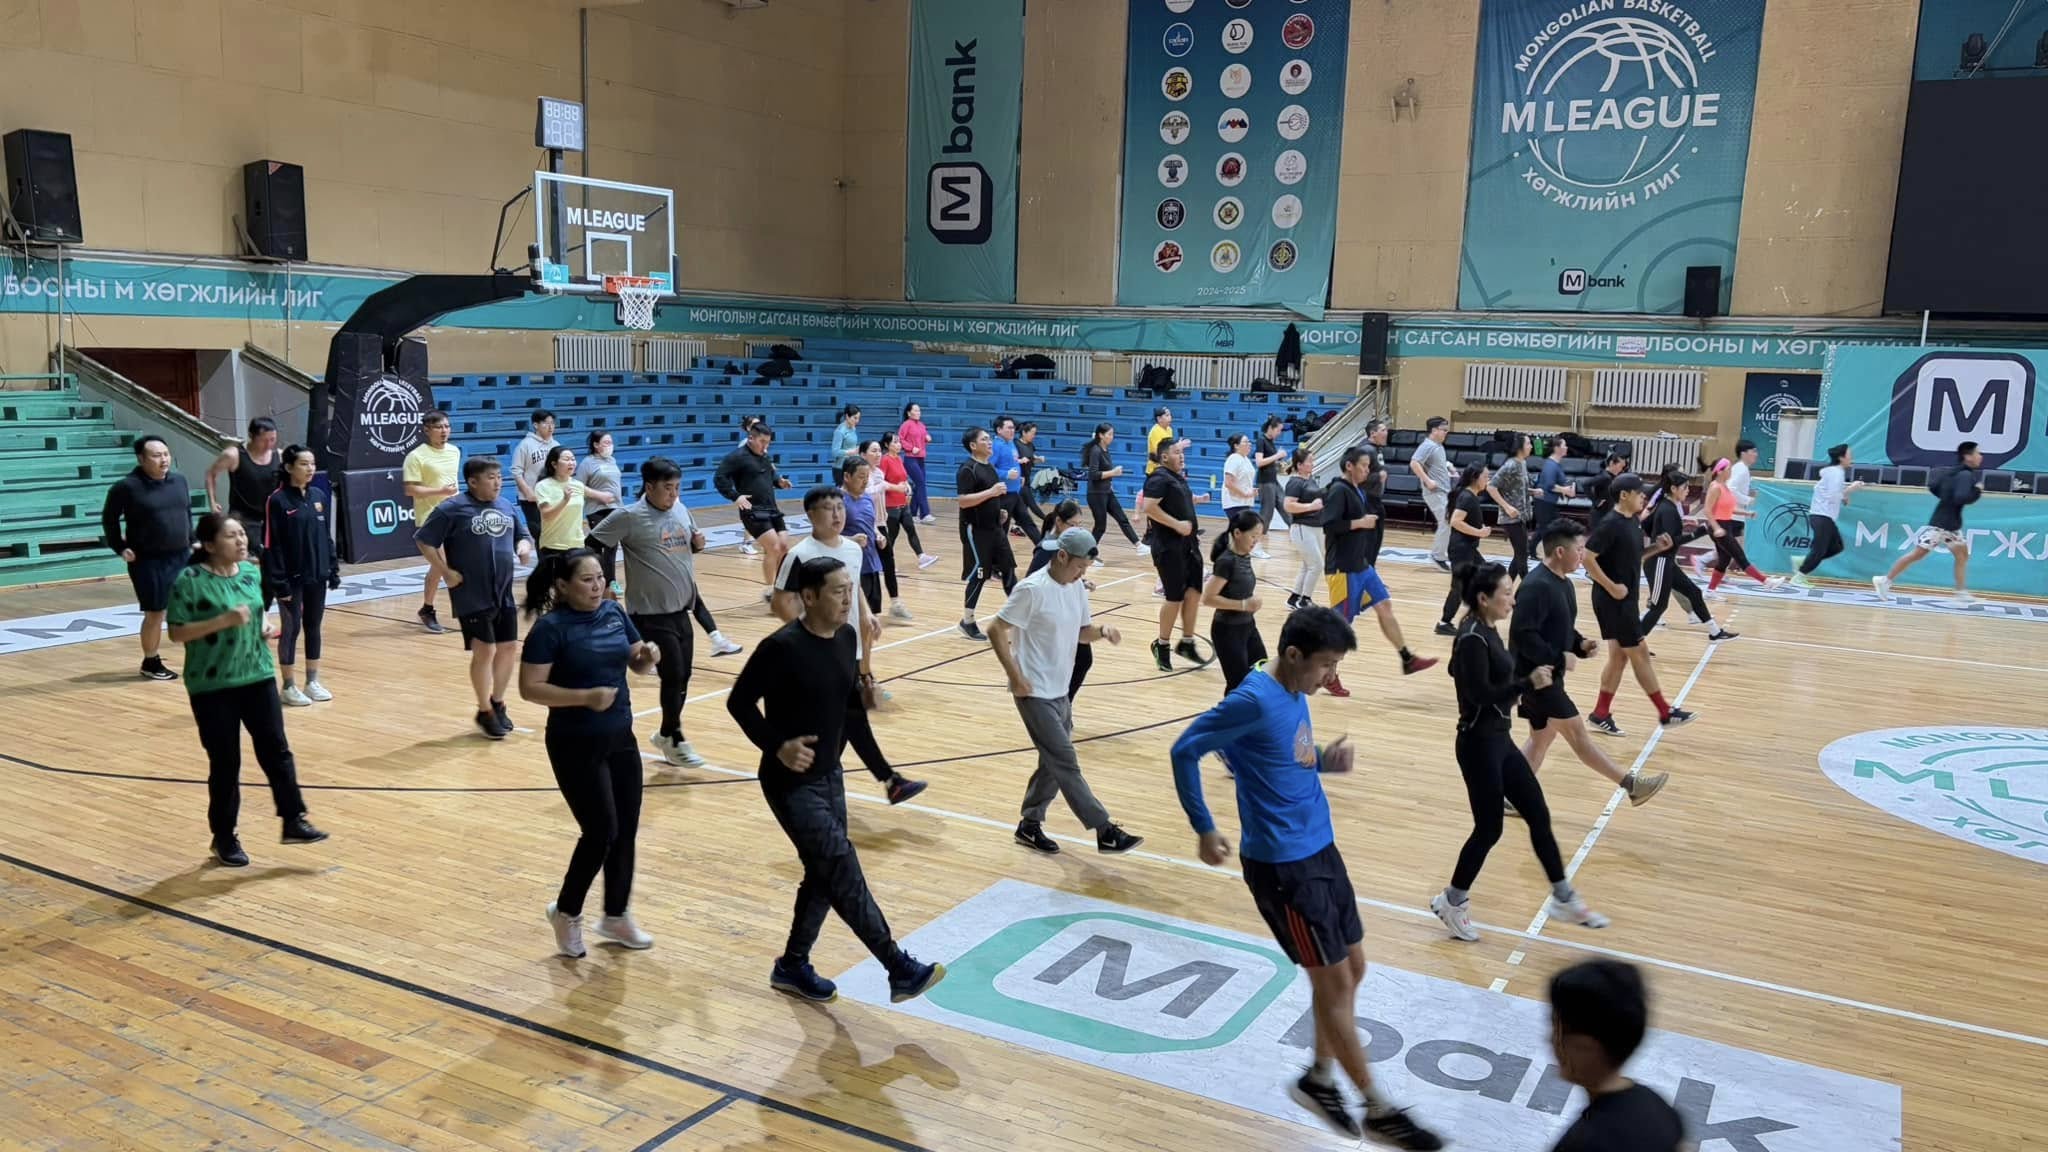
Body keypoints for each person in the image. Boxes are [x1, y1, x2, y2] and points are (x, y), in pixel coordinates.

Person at [1170, 608, 1444, 1150]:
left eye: (1336, 665)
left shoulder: (1291, 687)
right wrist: (1204, 827)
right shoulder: (1252, 699)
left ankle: (1319, 1079)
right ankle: (1378, 1109)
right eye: (1326, 665)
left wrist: (1321, 761)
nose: (1330, 677)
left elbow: (1281, 754)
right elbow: (1185, 750)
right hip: (1283, 868)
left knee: (1353, 969)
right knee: (1334, 983)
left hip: (1321, 847)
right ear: (1293, 655)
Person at [728, 557, 946, 1005]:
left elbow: (850, 715)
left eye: (850, 589)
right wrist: (777, 745)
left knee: (823, 874)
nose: (848, 599)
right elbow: (739, 703)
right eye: (837, 590)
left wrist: (885, 773)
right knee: (841, 868)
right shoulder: (781, 647)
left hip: (830, 776)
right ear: (809, 597)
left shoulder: (847, 638)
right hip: (790, 783)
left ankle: (792, 965)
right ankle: (898, 967)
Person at [1430, 562, 1607, 942]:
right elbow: (1480, 695)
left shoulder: (1484, 630)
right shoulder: (1473, 637)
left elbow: (1460, 672)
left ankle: (1563, 896)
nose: (1513, 600)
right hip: (1478, 745)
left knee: (1538, 814)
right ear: (1484, 598)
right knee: (1489, 828)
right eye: (1507, 593)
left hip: (1499, 740)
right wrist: (1526, 683)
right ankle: (1452, 901)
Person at [522, 546, 663, 959]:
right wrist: (584, 697)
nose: (597, 585)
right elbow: (530, 688)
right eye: (587, 579)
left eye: (600, 577)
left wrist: (647, 656)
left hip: (621, 736)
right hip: (574, 742)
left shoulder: (614, 613)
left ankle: (616, 915)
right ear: (563, 586)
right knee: (601, 831)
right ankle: (566, 912)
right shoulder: (550, 629)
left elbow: (636, 662)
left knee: (626, 828)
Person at [165, 512, 328, 867]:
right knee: (226, 762)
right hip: (212, 684)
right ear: (210, 545)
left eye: (242, 534)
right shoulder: (189, 581)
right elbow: (176, 632)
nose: (241, 540)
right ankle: (224, 836)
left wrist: (265, 626)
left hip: (257, 674)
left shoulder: (251, 573)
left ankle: (293, 820)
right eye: (231, 536)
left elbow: (257, 612)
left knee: (277, 751)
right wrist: (221, 621)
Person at [988, 528, 1144, 856]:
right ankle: (1105, 830)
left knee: (1052, 762)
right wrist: (1015, 676)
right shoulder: (1031, 589)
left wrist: (1102, 631)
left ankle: (1029, 824)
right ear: (1061, 556)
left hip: (1060, 689)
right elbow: (995, 628)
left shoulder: (1076, 588)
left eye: (1086, 568)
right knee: (1065, 761)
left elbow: (1081, 632)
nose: (1082, 574)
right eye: (1079, 567)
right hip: (1033, 691)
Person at [773, 486, 927, 805]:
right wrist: (807, 638)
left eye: (840, 508)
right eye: (828, 509)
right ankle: (887, 780)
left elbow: (852, 588)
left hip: (847, 647)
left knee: (844, 722)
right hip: (818, 654)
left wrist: (867, 614)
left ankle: (824, 779)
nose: (837, 514)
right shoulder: (800, 554)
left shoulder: (853, 549)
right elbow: (780, 601)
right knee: (849, 718)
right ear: (811, 515)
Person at [1512, 521, 1667, 805]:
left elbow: (1558, 627)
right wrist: (1559, 657)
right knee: (1577, 735)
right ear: (1560, 551)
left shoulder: (1563, 583)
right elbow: (1522, 635)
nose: (1583, 555)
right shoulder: (1535, 587)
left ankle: (1509, 796)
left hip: (1550, 675)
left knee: (1541, 738)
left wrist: (1579, 644)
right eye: (1579, 549)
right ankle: (1632, 786)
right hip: (1537, 679)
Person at [589, 456, 711, 769]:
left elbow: (689, 545)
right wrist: (606, 580)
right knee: (672, 675)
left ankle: (667, 734)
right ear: (649, 486)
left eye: (677, 487)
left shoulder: (680, 509)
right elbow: (594, 543)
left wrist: (698, 544)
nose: (674, 493)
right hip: (649, 612)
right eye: (668, 487)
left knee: (683, 676)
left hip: (680, 609)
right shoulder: (629, 516)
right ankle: (675, 737)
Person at [415, 457, 535, 740]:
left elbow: (523, 535)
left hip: (502, 592)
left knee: (508, 648)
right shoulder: (452, 508)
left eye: (499, 477)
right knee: (485, 650)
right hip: (471, 593)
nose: (498, 482)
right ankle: (484, 710)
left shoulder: (505, 506)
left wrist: (523, 547)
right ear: (472, 482)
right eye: (491, 477)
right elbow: (424, 539)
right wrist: (445, 571)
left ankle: (498, 702)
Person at [1582, 475, 1696, 737]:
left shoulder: (1632, 522)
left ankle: (1600, 714)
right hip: (1613, 600)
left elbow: (1633, 557)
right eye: (1639, 493)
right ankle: (1665, 712)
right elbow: (1587, 558)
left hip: (1625, 598)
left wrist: (1656, 547)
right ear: (1624, 495)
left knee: (1619, 657)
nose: (1644, 496)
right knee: (1640, 652)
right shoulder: (1610, 524)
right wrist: (1612, 587)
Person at [1322, 446, 1436, 689]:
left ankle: (1407, 658)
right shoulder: (1338, 490)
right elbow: (1329, 525)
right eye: (1363, 465)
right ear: (1349, 466)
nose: (1367, 470)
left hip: (1362, 566)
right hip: (1343, 568)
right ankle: (1327, 674)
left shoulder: (1357, 489)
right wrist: (1360, 523)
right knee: (1341, 626)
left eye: (1368, 466)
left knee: (1384, 605)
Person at [1546, 961, 1687, 1152]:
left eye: (1557, 1029)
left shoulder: (1583, 1144)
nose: (1550, 1040)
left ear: (1587, 1047)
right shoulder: (1658, 1107)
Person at [102, 435, 193, 681]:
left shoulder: (179, 481)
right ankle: (150, 661)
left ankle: (198, 655)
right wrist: (120, 547)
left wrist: (193, 539)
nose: (163, 459)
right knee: (155, 612)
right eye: (156, 455)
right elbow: (109, 519)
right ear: (141, 459)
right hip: (148, 561)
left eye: (166, 454)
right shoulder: (127, 487)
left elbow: (186, 511)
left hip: (181, 556)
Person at [262, 444, 341, 707]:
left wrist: (332, 567)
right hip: (290, 579)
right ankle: (288, 686)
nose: (310, 469)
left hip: (317, 574)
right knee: (292, 628)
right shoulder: (277, 500)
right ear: (288, 467)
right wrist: (279, 582)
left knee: (313, 626)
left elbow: (325, 536)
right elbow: (272, 544)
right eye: (304, 464)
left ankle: (312, 681)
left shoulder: (318, 495)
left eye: (312, 464)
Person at [1875, 441, 1984, 604]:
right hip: (1943, 525)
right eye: (1978, 453)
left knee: (1962, 555)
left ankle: (1961, 592)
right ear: (1968, 456)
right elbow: (1962, 497)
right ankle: (1884, 580)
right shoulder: (1966, 475)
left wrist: (1948, 497)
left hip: (1950, 524)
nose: (1980, 456)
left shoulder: (1954, 472)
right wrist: (1977, 491)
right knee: (1918, 554)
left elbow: (1934, 486)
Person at [1141, 439, 1215, 673]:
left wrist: (1195, 508)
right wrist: (1177, 525)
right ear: (1164, 457)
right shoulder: (1158, 478)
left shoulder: (1177, 478)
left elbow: (1179, 503)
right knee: (1174, 597)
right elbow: (1149, 507)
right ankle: (1162, 645)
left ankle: (1187, 643)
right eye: (1176, 452)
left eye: (1182, 452)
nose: (1182, 456)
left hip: (1188, 545)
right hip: (1168, 547)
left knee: (1193, 592)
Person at [1641, 470, 1738, 640]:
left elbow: (1650, 526)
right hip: (1658, 562)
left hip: (1667, 562)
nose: (1688, 490)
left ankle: (1715, 632)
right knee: (1658, 607)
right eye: (1685, 487)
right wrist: (1697, 533)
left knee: (1694, 592)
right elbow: (1671, 541)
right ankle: (1633, 643)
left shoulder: (1666, 506)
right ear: (1673, 489)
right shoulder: (1667, 509)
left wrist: (1681, 526)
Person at [1028, 502, 1100, 701]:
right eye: (1072, 525)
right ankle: (1059, 704)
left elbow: (1063, 573)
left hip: (1069, 613)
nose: (1077, 529)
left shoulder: (1068, 544)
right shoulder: (1047, 548)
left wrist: (1081, 582)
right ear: (1059, 522)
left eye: (1080, 525)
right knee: (1079, 660)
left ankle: (1063, 704)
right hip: (1053, 616)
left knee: (1083, 660)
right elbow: (1031, 580)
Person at [715, 420, 795, 598]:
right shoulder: (737, 457)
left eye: (768, 443)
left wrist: (779, 482)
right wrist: (735, 496)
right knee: (774, 547)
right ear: (751, 438)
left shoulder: (764, 456)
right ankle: (771, 591)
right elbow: (720, 478)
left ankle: (781, 586)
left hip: (772, 508)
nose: (765, 446)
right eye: (762, 442)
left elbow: (771, 475)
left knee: (783, 546)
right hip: (753, 511)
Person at [403, 410, 461, 633]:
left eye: (446, 426)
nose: (444, 431)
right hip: (430, 518)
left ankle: (427, 609)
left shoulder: (454, 451)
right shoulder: (416, 456)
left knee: (439, 567)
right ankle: (450, 610)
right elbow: (410, 489)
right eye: (438, 427)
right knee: (443, 565)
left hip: (454, 516)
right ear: (427, 430)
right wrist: (440, 491)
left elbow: (453, 484)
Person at [955, 427, 1015, 641]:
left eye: (990, 438)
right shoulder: (967, 469)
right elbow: (963, 501)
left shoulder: (989, 466)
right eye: (985, 439)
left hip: (995, 528)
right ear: (973, 445)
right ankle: (967, 621)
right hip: (976, 530)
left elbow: (989, 498)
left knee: (1008, 569)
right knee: (980, 575)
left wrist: (999, 511)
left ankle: (1019, 618)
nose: (990, 442)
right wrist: (991, 492)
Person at [1202, 508, 1269, 693]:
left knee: (1262, 672)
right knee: (1237, 686)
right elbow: (1208, 598)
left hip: (1248, 626)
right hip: (1227, 631)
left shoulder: (1245, 555)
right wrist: (1244, 605)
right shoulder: (1226, 561)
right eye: (1253, 536)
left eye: (1259, 537)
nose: (1256, 541)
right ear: (1238, 533)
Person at [1699, 455, 1783, 592]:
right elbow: (1707, 510)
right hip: (1719, 527)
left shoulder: (1724, 487)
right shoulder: (1715, 487)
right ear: (1720, 471)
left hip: (1726, 525)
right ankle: (1766, 582)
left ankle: (1710, 591)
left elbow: (1729, 508)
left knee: (1724, 560)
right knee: (1740, 556)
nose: (1731, 471)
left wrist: (1747, 513)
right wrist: (1716, 528)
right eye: (1728, 469)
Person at [1792, 443, 1864, 588]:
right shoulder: (1836, 473)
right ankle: (1799, 576)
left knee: (1837, 547)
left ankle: (1804, 561)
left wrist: (1844, 496)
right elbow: (1832, 495)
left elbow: (1828, 492)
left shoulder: (1834, 472)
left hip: (1824, 516)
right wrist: (1851, 489)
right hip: (1822, 516)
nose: (1851, 457)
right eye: (1849, 455)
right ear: (1841, 458)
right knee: (1819, 550)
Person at [1436, 462, 1493, 635]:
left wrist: (1478, 528)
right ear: (1475, 478)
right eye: (1485, 477)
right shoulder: (1467, 497)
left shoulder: (1470, 495)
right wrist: (1479, 532)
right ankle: (1444, 623)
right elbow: (1455, 521)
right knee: (1459, 587)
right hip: (1461, 549)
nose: (1488, 480)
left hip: (1468, 548)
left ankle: (1477, 616)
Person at [204, 416, 281, 542]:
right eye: (263, 440)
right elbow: (211, 474)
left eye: (272, 440)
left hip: (270, 519)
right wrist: (212, 501)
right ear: (251, 436)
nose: (268, 445)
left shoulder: (278, 456)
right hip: (243, 520)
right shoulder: (234, 455)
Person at [878, 431, 939, 574]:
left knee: (911, 530)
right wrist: (896, 487)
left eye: (899, 442)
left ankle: (922, 557)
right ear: (887, 445)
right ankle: (884, 563)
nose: (898, 445)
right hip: (891, 505)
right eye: (895, 442)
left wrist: (907, 486)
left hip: (903, 503)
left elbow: (903, 477)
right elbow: (880, 482)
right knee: (892, 536)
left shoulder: (899, 459)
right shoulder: (885, 460)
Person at [575, 429, 625, 588]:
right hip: (596, 510)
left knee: (612, 546)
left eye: (611, 442)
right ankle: (594, 578)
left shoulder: (612, 461)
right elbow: (578, 486)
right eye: (606, 442)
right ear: (596, 445)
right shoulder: (587, 463)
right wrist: (599, 495)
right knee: (598, 546)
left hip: (615, 508)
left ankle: (610, 582)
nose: (610, 445)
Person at [1081, 422, 1142, 551]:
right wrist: (1113, 473)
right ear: (1101, 435)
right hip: (1096, 494)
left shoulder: (1105, 450)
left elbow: (1103, 471)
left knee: (1122, 518)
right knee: (1100, 527)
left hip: (1107, 491)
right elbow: (1093, 474)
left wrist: (1109, 482)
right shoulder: (1096, 451)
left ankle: (1139, 545)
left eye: (1112, 434)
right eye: (1109, 434)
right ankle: (1088, 553)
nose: (1111, 437)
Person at [1282, 446, 1326, 611]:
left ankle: (1294, 598)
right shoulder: (1295, 482)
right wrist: (1311, 506)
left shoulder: (1310, 480)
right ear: (1299, 465)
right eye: (1309, 461)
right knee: (1317, 565)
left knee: (1308, 565)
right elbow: (1288, 506)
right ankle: (1305, 600)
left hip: (1317, 527)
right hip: (1302, 527)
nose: (1312, 464)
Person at [1410, 417, 1455, 570]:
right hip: (1434, 492)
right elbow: (1414, 463)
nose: (1446, 433)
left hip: (1443, 491)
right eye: (1444, 430)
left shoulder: (1437, 446)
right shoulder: (1427, 445)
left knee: (1448, 522)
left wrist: (1448, 466)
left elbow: (1436, 462)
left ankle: (1441, 553)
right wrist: (1427, 480)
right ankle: (1437, 555)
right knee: (1447, 522)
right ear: (1434, 430)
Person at [1489, 434, 1534, 582]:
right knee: (1522, 554)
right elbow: (1491, 487)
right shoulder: (1511, 465)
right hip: (1510, 518)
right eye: (1528, 443)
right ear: (1520, 447)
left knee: (1520, 553)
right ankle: (1527, 587)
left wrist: (1533, 491)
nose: (1531, 446)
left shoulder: (1522, 463)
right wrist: (1507, 507)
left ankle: (1506, 586)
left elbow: (1518, 487)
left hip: (1521, 516)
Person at [990, 416, 1040, 545]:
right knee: (1002, 531)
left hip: (1015, 493)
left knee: (1028, 523)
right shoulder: (995, 446)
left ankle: (1045, 551)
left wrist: (1019, 476)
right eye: (1009, 428)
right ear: (999, 430)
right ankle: (998, 557)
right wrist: (1006, 474)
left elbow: (1013, 461)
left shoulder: (1011, 443)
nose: (1012, 430)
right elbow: (988, 468)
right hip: (1003, 495)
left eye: (1013, 428)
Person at [533, 444, 587, 561]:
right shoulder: (543, 486)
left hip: (577, 545)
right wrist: (565, 500)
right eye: (566, 459)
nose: (571, 463)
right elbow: (547, 515)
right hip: (553, 546)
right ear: (554, 464)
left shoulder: (578, 485)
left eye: (573, 459)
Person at [511, 409, 558, 540]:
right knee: (539, 533)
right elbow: (516, 471)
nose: (550, 427)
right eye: (546, 423)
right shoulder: (525, 445)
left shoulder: (556, 446)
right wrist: (528, 492)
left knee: (553, 532)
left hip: (552, 496)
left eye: (552, 423)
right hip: (531, 499)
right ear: (535, 425)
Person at [898, 401, 935, 524]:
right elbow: (900, 439)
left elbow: (924, 435)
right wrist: (910, 448)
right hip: (910, 459)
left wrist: (927, 438)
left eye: (919, 410)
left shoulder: (921, 425)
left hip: (920, 458)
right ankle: (925, 514)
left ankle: (913, 514)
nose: (918, 412)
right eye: (915, 410)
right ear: (909, 413)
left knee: (920, 485)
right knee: (920, 483)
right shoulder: (906, 425)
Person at [1531, 437, 1575, 536]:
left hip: (1548, 502)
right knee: (1547, 531)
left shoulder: (1555, 464)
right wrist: (1565, 490)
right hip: (1544, 502)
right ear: (1557, 448)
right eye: (1564, 445)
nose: (1567, 447)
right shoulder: (1551, 465)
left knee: (1547, 531)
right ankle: (1530, 546)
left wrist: (1566, 490)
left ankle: (1531, 546)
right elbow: (1549, 485)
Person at [1254, 415, 1287, 538]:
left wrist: (1278, 462)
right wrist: (1277, 456)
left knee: (1284, 505)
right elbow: (1259, 462)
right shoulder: (1261, 440)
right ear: (1271, 428)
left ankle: (1296, 529)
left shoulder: (1271, 442)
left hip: (1273, 480)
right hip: (1265, 481)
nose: (1279, 433)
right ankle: (1259, 535)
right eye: (1278, 430)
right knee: (1267, 511)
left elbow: (1270, 461)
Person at [1581, 453, 1630, 522]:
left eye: (1623, 467)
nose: (1622, 470)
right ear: (1612, 463)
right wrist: (1596, 501)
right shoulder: (1605, 477)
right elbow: (1585, 484)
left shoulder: (1613, 477)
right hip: (1600, 516)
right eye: (1621, 467)